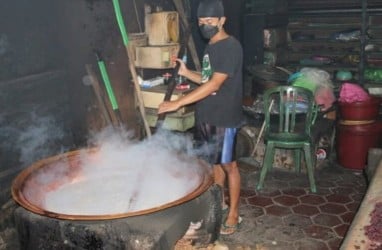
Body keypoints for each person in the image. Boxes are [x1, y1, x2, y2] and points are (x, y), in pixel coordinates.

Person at [158, 0, 243, 235]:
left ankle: (234, 213)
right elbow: (207, 79)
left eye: (210, 22)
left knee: (229, 165)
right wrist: (187, 72)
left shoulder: (230, 47)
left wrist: (177, 103)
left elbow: (216, 83)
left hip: (224, 117)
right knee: (214, 164)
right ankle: (218, 204)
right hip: (207, 115)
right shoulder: (211, 47)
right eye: (201, 22)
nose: (205, 26)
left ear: (222, 21)